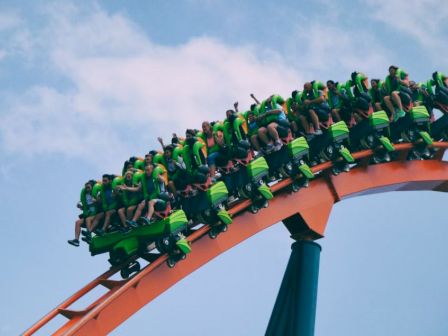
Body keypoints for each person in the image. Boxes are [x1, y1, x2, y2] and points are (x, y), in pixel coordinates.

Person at [68, 181, 98, 246]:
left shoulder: (97, 193)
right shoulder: (86, 195)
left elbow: (101, 202)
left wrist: (96, 201)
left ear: (92, 187)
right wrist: (81, 207)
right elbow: (87, 207)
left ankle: (89, 236)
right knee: (77, 222)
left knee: (88, 219)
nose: (87, 189)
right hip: (89, 213)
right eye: (86, 187)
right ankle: (76, 240)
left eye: (88, 187)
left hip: (97, 214)